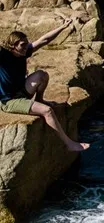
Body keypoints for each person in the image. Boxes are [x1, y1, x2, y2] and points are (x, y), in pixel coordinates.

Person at [0, 20, 89, 152]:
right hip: (10, 100)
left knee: (42, 75)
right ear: (13, 46)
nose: (26, 48)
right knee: (47, 111)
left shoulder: (23, 52)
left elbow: (44, 40)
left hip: (21, 90)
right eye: (23, 45)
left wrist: (63, 26)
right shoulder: (4, 56)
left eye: (26, 44)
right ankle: (69, 144)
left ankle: (39, 99)